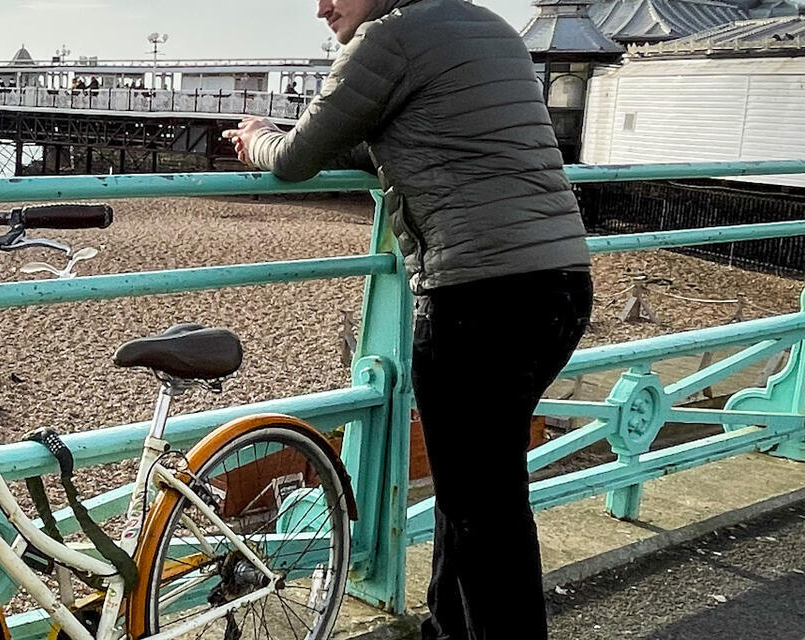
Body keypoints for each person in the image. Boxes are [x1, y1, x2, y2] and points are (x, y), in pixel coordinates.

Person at [224, 0, 594, 637]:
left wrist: (254, 134)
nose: (322, 8)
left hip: (478, 299)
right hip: (560, 285)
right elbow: (421, 143)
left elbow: (292, 158)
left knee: (483, 510)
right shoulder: (490, 28)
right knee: (475, 492)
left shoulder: (387, 40)